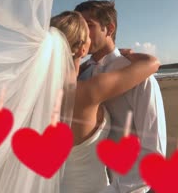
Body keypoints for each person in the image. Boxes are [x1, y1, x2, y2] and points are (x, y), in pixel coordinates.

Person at [50, 11, 160, 193]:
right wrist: (130, 54)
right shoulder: (89, 90)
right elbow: (152, 62)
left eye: (90, 24)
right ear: (82, 49)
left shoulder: (43, 94)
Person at [76, 0, 167, 193]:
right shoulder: (81, 76)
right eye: (79, 26)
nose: (82, 34)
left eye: (89, 26)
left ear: (109, 28)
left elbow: (154, 153)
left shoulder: (141, 78)